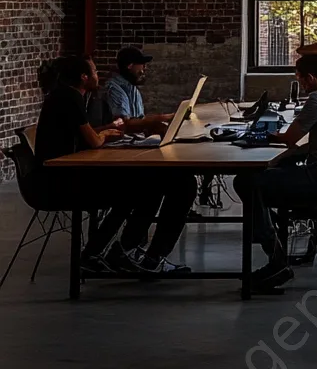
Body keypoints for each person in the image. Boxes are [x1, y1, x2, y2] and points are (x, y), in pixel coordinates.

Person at [32, 55, 196, 276]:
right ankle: (138, 254)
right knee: (173, 184)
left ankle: (115, 251)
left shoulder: (62, 95)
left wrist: (104, 131)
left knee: (153, 184)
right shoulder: (72, 98)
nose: (97, 76)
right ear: (83, 77)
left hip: (64, 173)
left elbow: (84, 134)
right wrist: (104, 134)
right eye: (95, 72)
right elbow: (93, 140)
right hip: (64, 180)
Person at [235, 53, 317, 291]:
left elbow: (289, 139)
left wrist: (261, 136)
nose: (301, 84)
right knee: (272, 172)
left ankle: (276, 259)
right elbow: (308, 144)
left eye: (301, 79)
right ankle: (266, 228)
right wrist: (284, 155)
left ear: (310, 78)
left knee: (246, 182)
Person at [100, 46, 175, 135]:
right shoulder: (114, 89)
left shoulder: (133, 89)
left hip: (135, 140)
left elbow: (140, 120)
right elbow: (125, 124)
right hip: (119, 143)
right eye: (142, 64)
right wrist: (163, 118)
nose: (144, 68)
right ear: (130, 65)